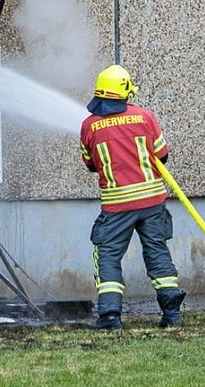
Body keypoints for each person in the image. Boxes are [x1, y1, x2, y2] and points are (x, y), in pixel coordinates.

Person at [79, 64, 184, 330]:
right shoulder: (145, 117)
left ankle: (110, 317)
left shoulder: (89, 126)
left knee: (108, 256)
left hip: (117, 206)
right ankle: (171, 313)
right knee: (157, 252)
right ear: (126, 92)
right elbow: (162, 156)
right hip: (153, 202)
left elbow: (91, 164)